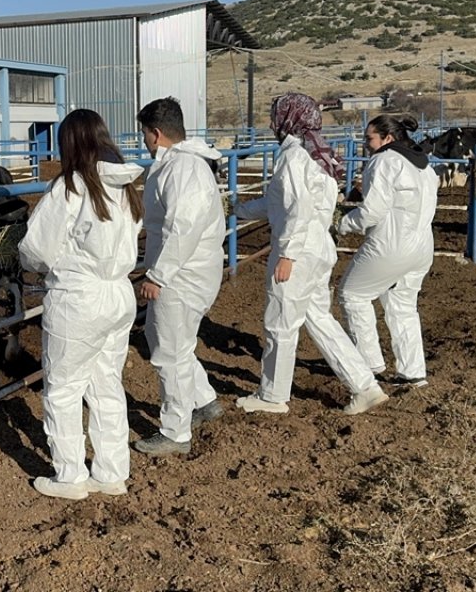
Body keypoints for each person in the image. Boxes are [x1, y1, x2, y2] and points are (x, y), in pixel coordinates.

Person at [234, 93, 389, 415]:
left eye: (275, 115)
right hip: (318, 248)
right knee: (318, 317)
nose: (272, 122)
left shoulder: (293, 155)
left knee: (280, 323)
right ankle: (364, 386)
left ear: (287, 118)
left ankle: (273, 396)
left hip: (298, 251)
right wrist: (239, 209)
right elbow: (282, 203)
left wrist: (287, 255)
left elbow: (297, 208)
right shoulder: (319, 155)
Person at [19, 108, 145, 499]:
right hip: (118, 293)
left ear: (70, 144)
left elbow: (37, 248)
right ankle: (110, 472)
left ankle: (69, 475)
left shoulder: (72, 186)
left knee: (63, 387)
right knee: (106, 381)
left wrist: (30, 262)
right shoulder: (124, 186)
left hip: (78, 297)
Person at [133, 97, 227, 456]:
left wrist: (158, 275)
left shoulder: (183, 169)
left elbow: (182, 228)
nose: (144, 140)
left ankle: (175, 431)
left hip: (182, 274)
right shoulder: (182, 165)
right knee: (171, 341)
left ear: (156, 134)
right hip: (190, 270)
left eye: (144, 134)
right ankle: (204, 401)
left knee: (168, 353)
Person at [337, 114, 439, 388]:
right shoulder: (424, 167)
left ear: (387, 138)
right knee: (403, 306)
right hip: (422, 245)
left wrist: (342, 224)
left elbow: (372, 211)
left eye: (369, 138)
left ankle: (369, 365)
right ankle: (413, 372)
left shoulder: (383, 161)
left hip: (391, 244)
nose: (366, 144)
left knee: (352, 295)